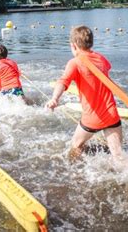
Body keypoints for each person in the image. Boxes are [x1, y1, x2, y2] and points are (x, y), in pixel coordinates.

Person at [46, 25, 123, 161]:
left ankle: (75, 172)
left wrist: (54, 98)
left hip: (92, 117)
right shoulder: (101, 59)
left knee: (76, 145)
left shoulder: (75, 62)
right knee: (118, 155)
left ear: (73, 45)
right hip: (111, 114)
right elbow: (107, 80)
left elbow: (63, 82)